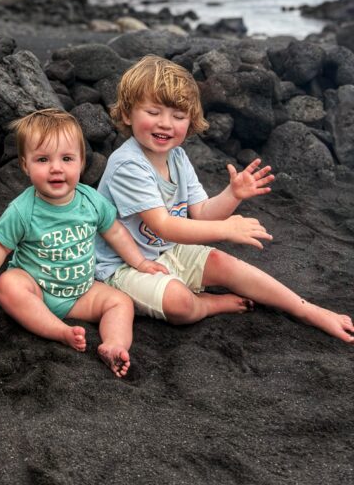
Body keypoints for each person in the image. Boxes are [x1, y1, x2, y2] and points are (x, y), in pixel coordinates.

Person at [94, 55, 354, 342]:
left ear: (190, 122)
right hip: (121, 266)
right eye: (154, 112)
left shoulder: (177, 157)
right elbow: (163, 226)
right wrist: (227, 229)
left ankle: (306, 309)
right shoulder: (128, 165)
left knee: (224, 262)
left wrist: (233, 195)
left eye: (178, 116)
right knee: (179, 302)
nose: (166, 124)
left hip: (165, 252)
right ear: (128, 114)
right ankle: (208, 303)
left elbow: (203, 213)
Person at [0, 108, 170, 377]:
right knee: (7, 285)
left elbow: (114, 232)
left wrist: (139, 261)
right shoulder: (23, 209)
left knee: (120, 302)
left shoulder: (90, 200)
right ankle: (59, 331)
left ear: (80, 164)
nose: (56, 168)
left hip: (80, 293)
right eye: (42, 159)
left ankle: (113, 346)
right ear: (25, 165)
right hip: (37, 290)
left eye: (67, 158)